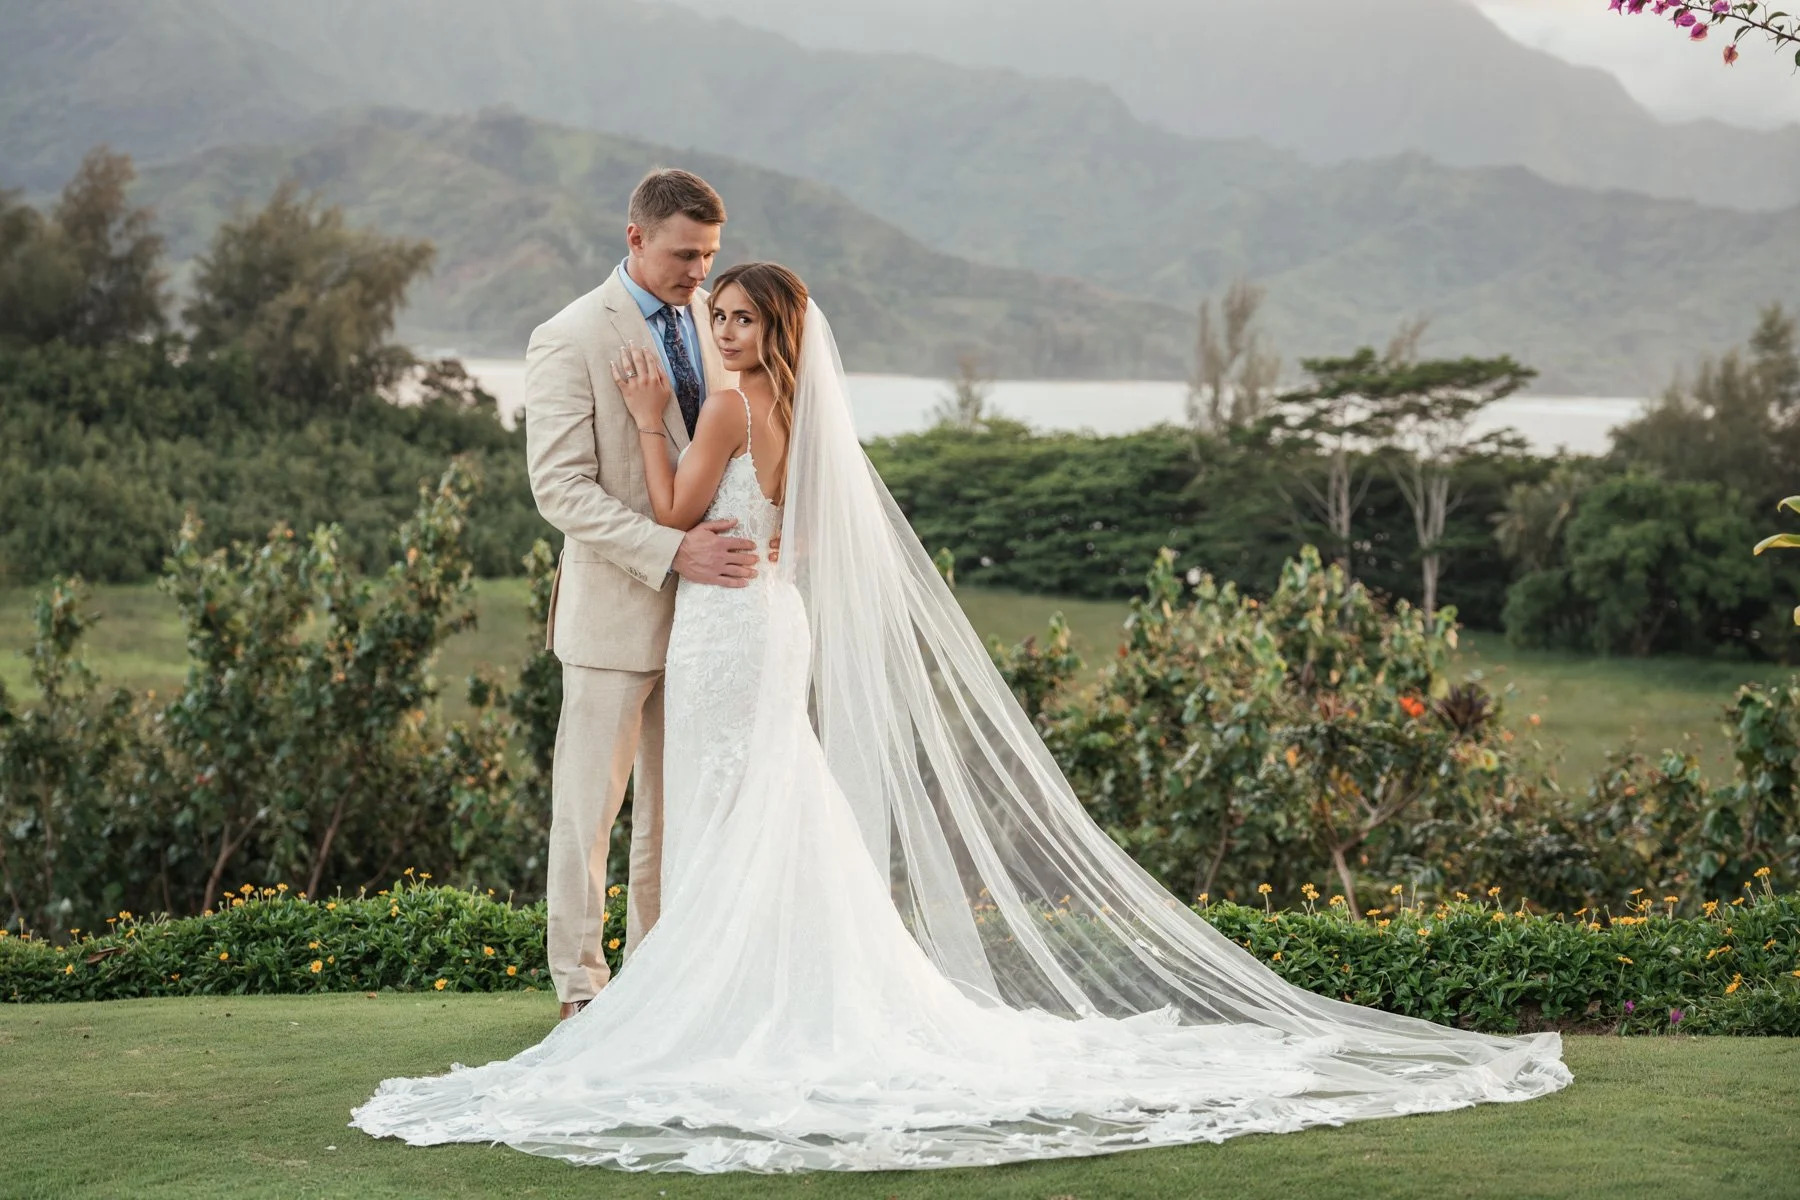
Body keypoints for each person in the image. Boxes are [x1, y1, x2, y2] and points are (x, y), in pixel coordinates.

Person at [352, 263, 1571, 1173]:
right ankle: (736, 981)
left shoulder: (723, 409)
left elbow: (672, 505)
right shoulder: (798, 416)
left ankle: (707, 996)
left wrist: (657, 412)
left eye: (736, 317)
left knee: (732, 803)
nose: (718, 327)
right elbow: (776, 531)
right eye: (712, 312)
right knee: (767, 798)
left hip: (729, 624)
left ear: (770, 331)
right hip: (770, 618)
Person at [520, 168, 748, 1020]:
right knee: (588, 819)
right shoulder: (569, 336)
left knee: (667, 814)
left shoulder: (708, 322)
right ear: (635, 240)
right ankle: (581, 994)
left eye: (710, 255)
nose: (700, 273)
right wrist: (672, 552)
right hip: (614, 618)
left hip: (706, 622)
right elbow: (561, 490)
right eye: (685, 255)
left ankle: (652, 987)